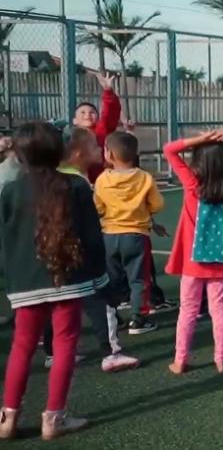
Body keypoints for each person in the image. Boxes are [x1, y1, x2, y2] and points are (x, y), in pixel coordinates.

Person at [0, 122, 109, 440]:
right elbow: (92, 236)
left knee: (22, 345)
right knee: (64, 344)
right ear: (59, 150)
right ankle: (54, 418)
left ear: (19, 154)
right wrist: (100, 276)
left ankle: (7, 418)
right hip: (69, 277)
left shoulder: (10, 190)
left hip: (25, 281)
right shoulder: (76, 186)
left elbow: (4, 240)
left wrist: (12, 276)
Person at [56, 128, 139, 373]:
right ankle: (111, 352)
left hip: (59, 254)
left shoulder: (55, 177)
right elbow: (87, 223)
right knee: (102, 302)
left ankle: (54, 352)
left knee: (59, 303)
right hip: (81, 255)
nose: (99, 149)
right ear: (78, 153)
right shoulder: (77, 182)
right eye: (94, 146)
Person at [163, 130, 223, 375]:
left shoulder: (192, 184)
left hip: (192, 262)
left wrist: (200, 139)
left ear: (198, 161)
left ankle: (180, 360)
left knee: (187, 310)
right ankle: (222, 359)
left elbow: (169, 149)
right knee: (219, 310)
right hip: (220, 259)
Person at [95, 131, 164, 335]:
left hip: (109, 235)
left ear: (109, 154)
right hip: (136, 235)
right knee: (139, 280)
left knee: (112, 279)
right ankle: (138, 318)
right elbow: (158, 204)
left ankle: (113, 317)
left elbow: (98, 207)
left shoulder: (102, 179)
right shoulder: (144, 177)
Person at [72, 72, 122, 183]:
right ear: (74, 120)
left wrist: (108, 91)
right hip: (80, 179)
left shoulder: (102, 130)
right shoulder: (71, 137)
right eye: (83, 112)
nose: (87, 115)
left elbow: (111, 113)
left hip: (102, 179)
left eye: (92, 112)